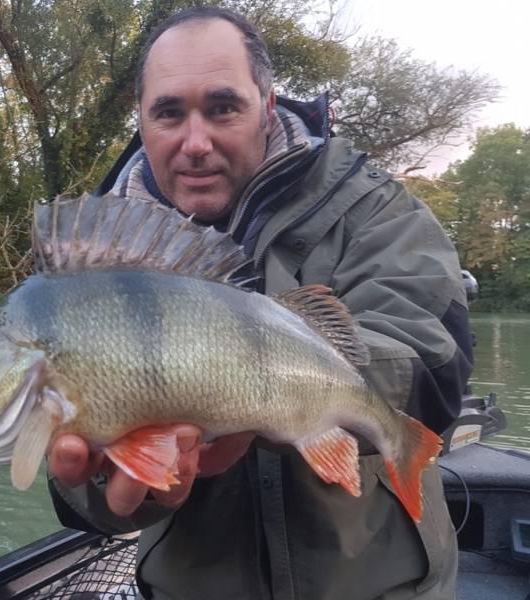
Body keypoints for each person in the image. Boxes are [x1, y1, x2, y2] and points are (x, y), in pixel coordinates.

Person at [46, 7, 473, 600]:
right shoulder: (99, 263)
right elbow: (84, 494)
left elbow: (434, 365)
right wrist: (107, 490)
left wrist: (257, 396)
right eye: (168, 112)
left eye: (222, 107)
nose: (196, 143)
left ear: (267, 105)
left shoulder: (373, 209)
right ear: (140, 120)